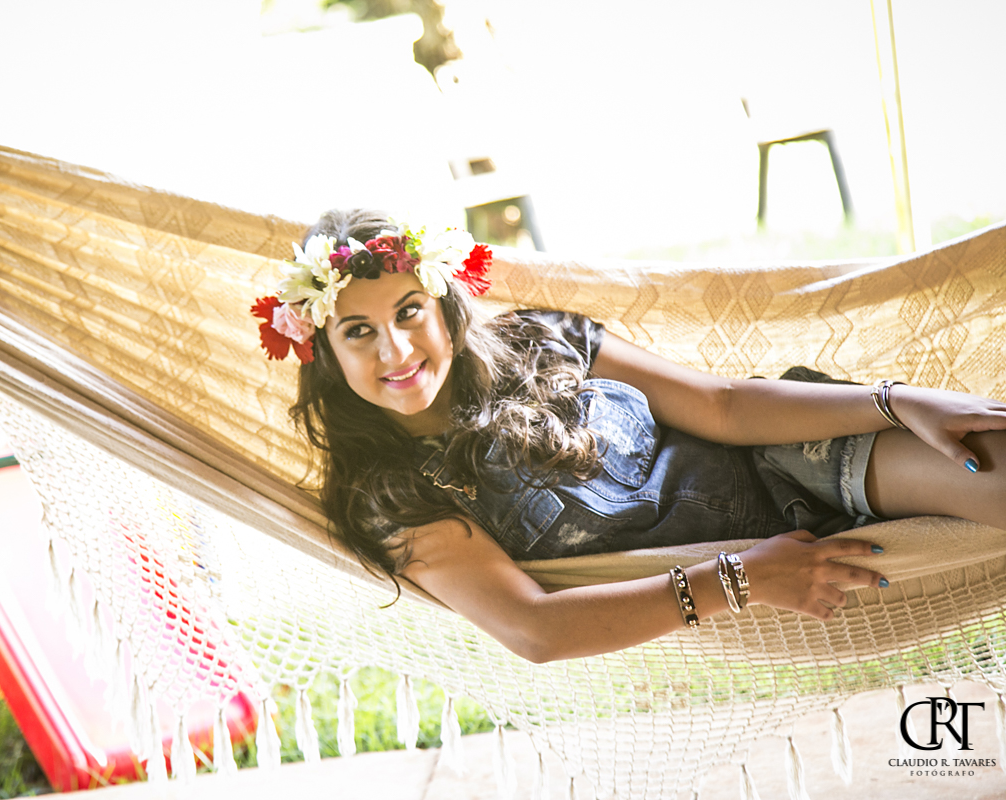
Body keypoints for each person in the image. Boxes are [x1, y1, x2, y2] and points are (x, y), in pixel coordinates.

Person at [252, 209, 1006, 664]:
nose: (396, 349)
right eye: (359, 331)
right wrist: (743, 578)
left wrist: (897, 403)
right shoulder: (394, 494)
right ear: (325, 353)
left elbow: (722, 406)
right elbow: (535, 629)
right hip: (742, 564)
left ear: (444, 304)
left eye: (409, 311)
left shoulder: (536, 340)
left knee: (990, 461)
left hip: (788, 464)